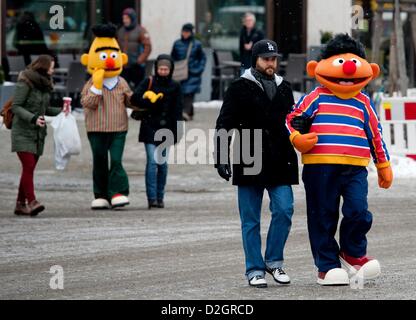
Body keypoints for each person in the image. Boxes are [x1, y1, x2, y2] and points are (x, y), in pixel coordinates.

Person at [286, 34, 393, 286]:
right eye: (340, 61)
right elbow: (291, 119)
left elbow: (375, 135)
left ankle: (352, 253)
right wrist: (296, 138)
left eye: (354, 61)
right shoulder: (316, 96)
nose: (347, 69)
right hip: (319, 167)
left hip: (355, 169)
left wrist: (383, 164)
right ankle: (327, 266)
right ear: (317, 68)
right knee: (322, 214)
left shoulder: (364, 102)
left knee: (358, 211)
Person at [214, 40, 298, 288]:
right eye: (266, 59)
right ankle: (254, 269)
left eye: (274, 59)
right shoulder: (239, 87)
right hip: (248, 157)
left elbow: (292, 121)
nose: (271, 63)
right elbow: (224, 123)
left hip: (280, 159)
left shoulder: (285, 88)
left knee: (284, 210)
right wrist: (220, 156)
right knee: (250, 220)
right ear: (255, 60)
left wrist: (301, 127)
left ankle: (273, 261)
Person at [81, 24, 134, 210]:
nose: (110, 61)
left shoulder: (121, 82)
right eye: (104, 56)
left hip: (118, 128)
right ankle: (101, 194)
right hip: (96, 128)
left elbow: (130, 101)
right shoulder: (90, 83)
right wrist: (96, 87)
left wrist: (143, 101)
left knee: (117, 160)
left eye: (113, 56)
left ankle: (118, 192)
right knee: (100, 161)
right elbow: (87, 103)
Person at [11, 55, 69, 216]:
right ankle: (32, 202)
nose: (54, 69)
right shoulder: (26, 81)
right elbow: (16, 106)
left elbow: (45, 109)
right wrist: (33, 118)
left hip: (38, 133)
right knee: (28, 167)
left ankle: (20, 205)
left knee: (28, 170)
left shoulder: (44, 84)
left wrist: (62, 111)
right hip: (22, 131)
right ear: (43, 66)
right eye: (52, 66)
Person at [131, 54, 183, 209]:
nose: (163, 71)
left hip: (166, 130)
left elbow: (178, 110)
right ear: (156, 68)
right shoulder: (149, 81)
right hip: (149, 127)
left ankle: (160, 197)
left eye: (166, 69)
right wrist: (149, 99)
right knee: (152, 163)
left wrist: (178, 131)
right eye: (160, 69)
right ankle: (151, 198)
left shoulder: (175, 86)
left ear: (171, 70)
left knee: (163, 165)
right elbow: (134, 98)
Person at [171, 23, 206, 121]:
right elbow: (173, 57)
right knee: (182, 92)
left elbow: (202, 58)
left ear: (191, 33)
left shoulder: (197, 44)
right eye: (184, 31)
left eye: (187, 32)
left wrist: (199, 69)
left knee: (189, 92)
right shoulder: (177, 43)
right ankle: (189, 112)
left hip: (193, 72)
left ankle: (185, 112)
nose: (185, 34)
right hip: (180, 73)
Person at [117, 8, 152, 89]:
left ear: (132, 19)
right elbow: (117, 47)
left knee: (138, 89)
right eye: (123, 18)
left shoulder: (141, 30)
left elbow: (148, 47)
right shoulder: (120, 31)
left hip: (137, 66)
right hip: (124, 66)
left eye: (127, 18)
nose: (125, 20)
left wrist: (139, 60)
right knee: (123, 88)